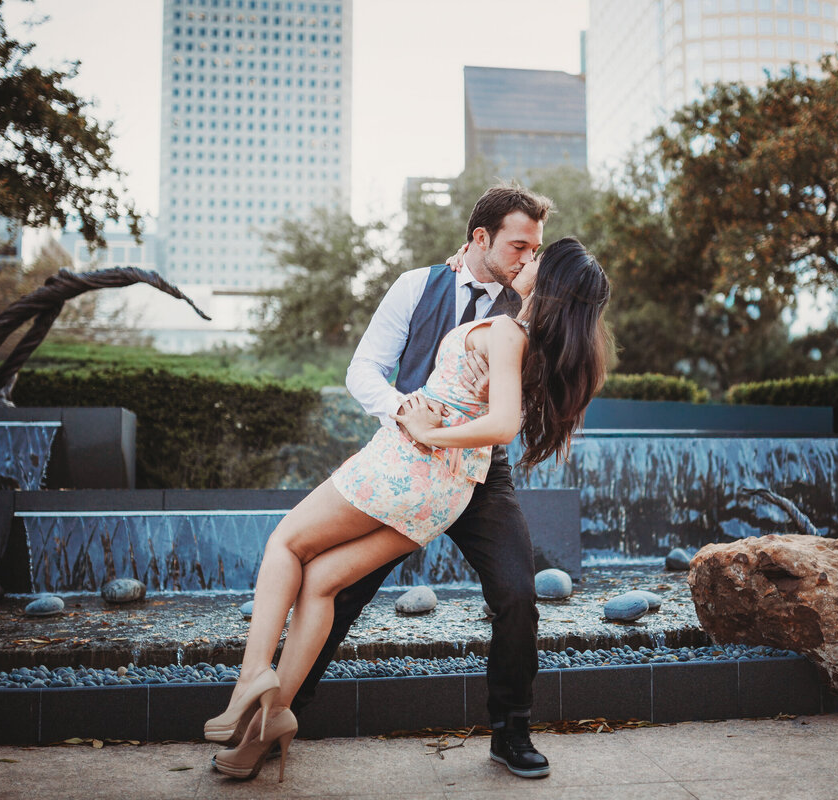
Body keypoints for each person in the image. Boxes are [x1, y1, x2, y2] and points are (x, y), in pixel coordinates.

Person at [203, 193, 611, 784]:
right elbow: (363, 369)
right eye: (518, 245)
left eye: (535, 247)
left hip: (479, 471)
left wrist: (441, 434)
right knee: (336, 590)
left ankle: (512, 732)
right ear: (479, 239)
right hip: (408, 455)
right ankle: (273, 723)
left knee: (518, 593)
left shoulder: (530, 308)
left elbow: (520, 399)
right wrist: (408, 413)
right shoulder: (418, 286)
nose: (529, 255)